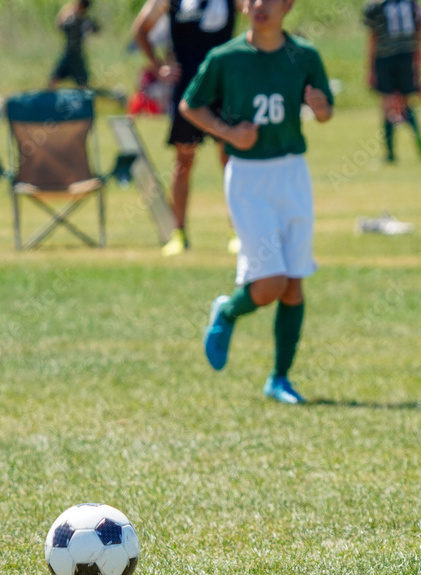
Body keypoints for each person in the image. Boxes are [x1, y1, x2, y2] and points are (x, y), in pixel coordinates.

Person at [181, 0, 333, 404]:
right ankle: (228, 312)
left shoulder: (304, 55)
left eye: (271, 0)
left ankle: (279, 379)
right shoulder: (225, 57)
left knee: (294, 281)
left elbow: (325, 111)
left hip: (292, 173)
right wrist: (227, 133)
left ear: (288, 5)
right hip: (249, 178)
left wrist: (320, 109)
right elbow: (190, 105)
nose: (260, 6)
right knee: (270, 284)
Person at [133, 0, 238, 256]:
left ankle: (238, 231)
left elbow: (260, 12)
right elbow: (140, 30)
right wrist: (158, 67)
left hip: (224, 86)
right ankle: (177, 232)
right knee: (183, 161)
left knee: (230, 159)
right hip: (188, 90)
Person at [362, 0, 421, 162]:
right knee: (406, 104)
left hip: (384, 59)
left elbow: (373, 38)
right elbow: (419, 35)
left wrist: (370, 69)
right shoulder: (412, 5)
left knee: (387, 106)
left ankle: (390, 153)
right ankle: (417, 138)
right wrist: (418, 63)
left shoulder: (376, 6)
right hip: (407, 57)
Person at [49, 0, 100, 89]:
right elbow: (95, 28)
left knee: (56, 79)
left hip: (73, 54)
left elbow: (60, 24)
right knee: (81, 82)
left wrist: (67, 11)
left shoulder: (74, 20)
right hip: (73, 53)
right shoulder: (83, 20)